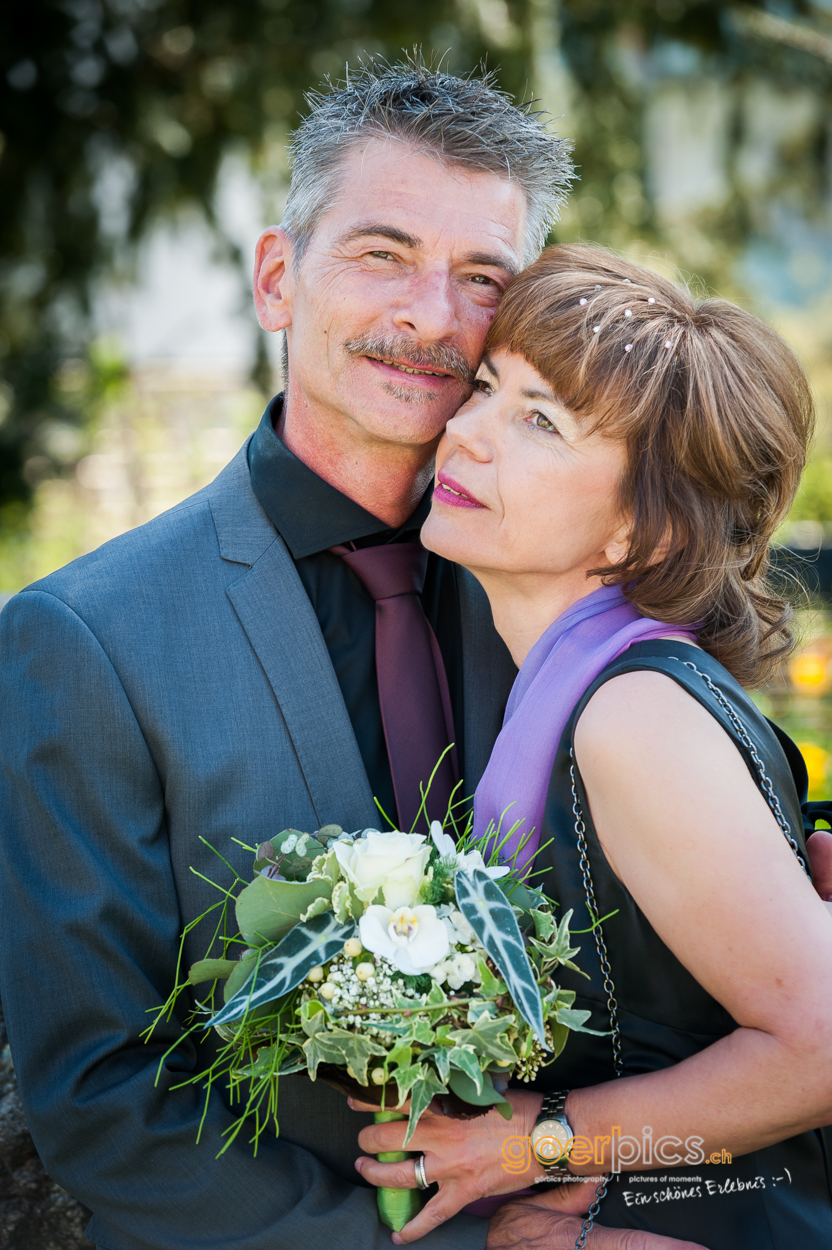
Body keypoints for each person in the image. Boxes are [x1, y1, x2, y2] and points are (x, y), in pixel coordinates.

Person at [0, 63, 714, 1250]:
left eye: (481, 277)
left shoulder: (574, 589)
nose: (432, 316)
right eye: (381, 253)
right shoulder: (86, 639)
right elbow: (102, 1095)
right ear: (279, 277)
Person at [354, 245, 832, 1249]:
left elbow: (821, 1049)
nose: (467, 431)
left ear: (641, 534)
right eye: (487, 387)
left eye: (538, 421)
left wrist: (540, 1144)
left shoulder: (633, 717)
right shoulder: (595, 687)